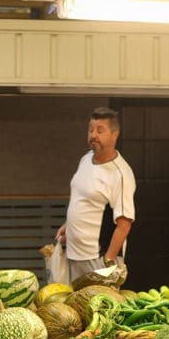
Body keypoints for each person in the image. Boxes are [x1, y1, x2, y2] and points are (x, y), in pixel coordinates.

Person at [55, 107, 136, 281]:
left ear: (114, 135)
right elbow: (81, 198)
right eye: (91, 130)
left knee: (97, 300)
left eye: (100, 131)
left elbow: (124, 224)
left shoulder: (120, 173)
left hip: (97, 259)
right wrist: (68, 225)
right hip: (73, 253)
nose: (93, 135)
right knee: (72, 299)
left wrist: (108, 262)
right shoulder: (85, 159)